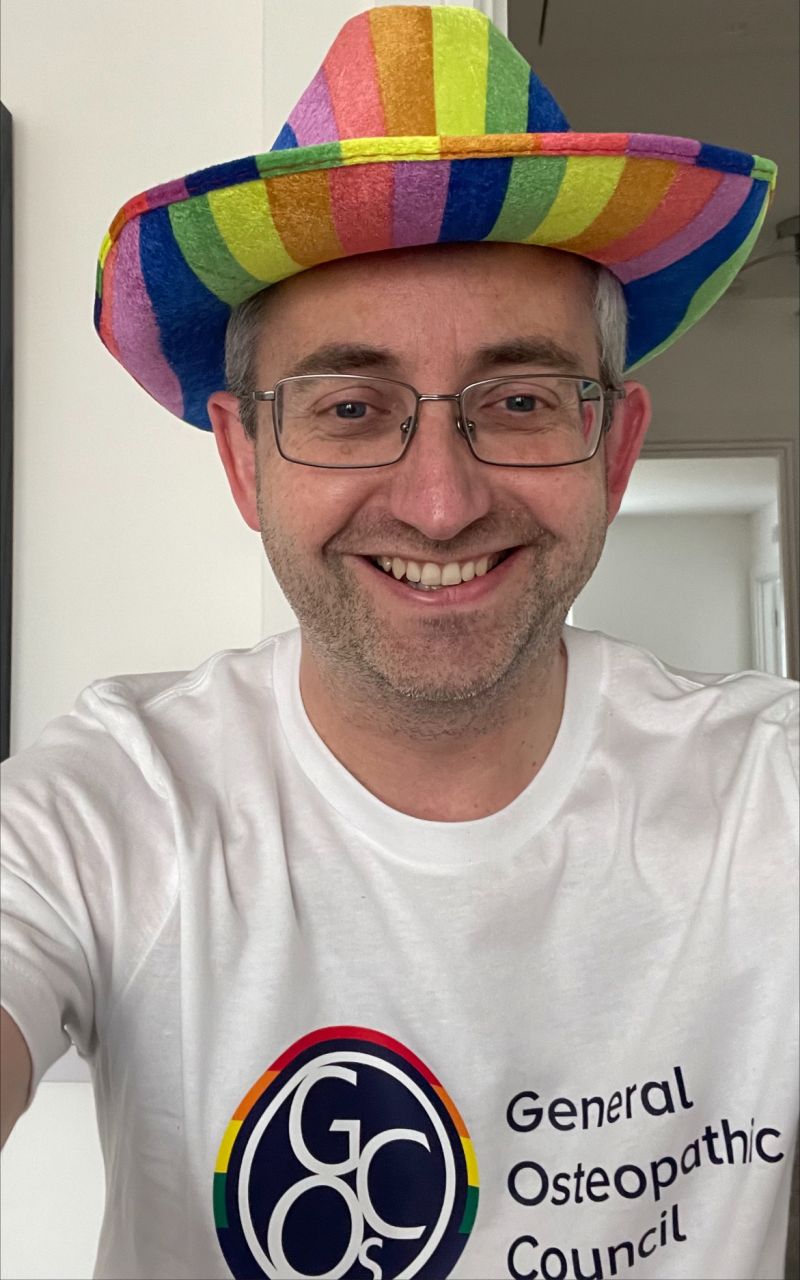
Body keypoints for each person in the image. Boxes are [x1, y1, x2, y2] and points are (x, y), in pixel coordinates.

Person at [1, 6, 797, 1279]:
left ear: (616, 445)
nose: (439, 499)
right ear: (242, 459)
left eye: (522, 400)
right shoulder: (116, 804)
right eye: (351, 407)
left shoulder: (767, 792)